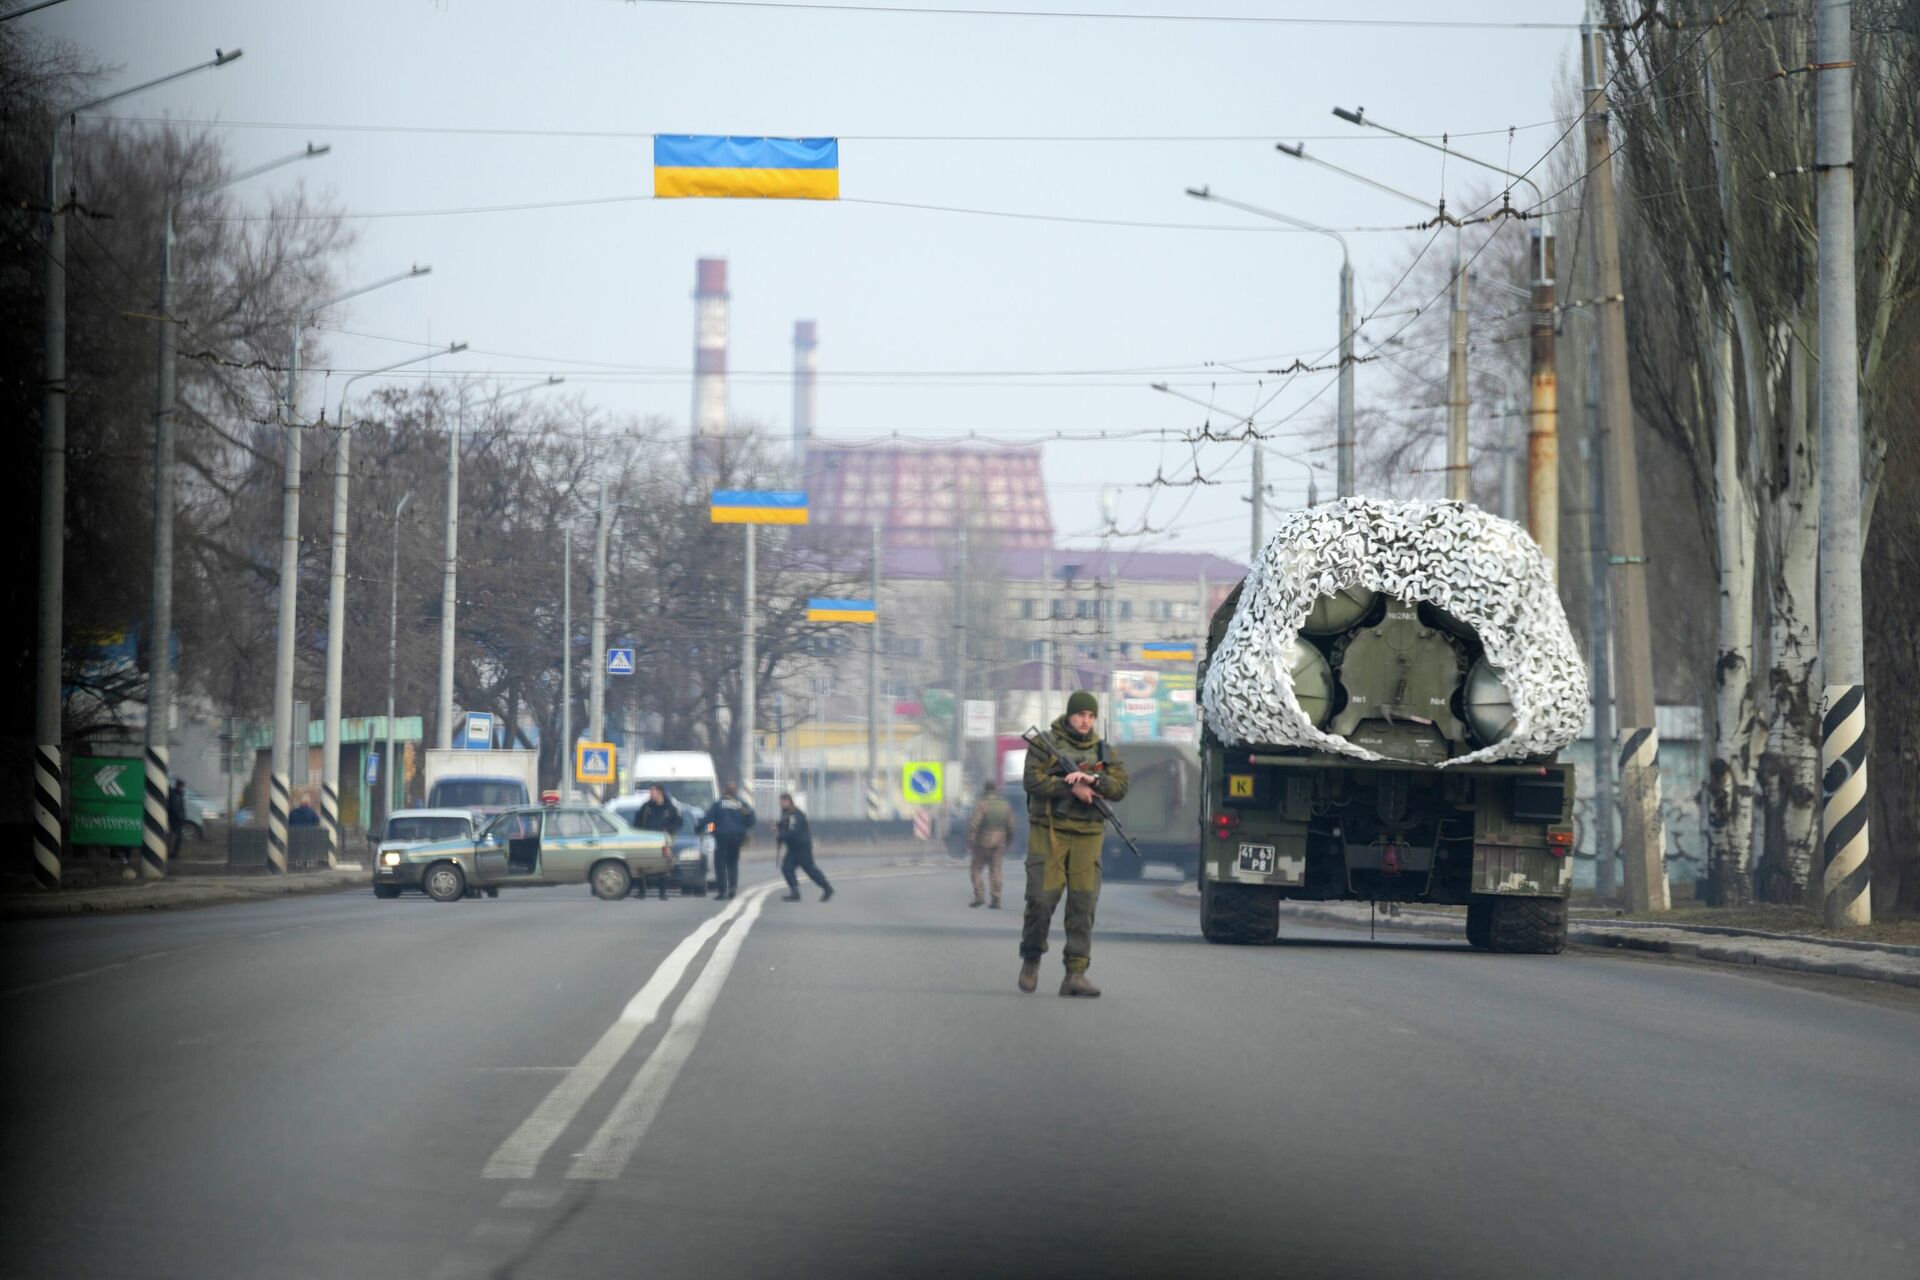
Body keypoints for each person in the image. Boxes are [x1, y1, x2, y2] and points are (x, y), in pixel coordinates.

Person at [1020, 690, 1128, 998]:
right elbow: (1032, 781)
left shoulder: (1104, 750)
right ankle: (1031, 958)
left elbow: (1121, 787)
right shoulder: (1044, 743)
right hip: (1049, 830)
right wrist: (1070, 789)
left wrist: (1094, 782)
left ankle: (1075, 974)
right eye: (1081, 714)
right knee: (1041, 899)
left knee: (1084, 903)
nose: (1085, 721)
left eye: (1091, 716)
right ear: (1070, 715)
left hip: (1088, 834)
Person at [774, 792, 833, 903]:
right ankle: (795, 892)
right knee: (787, 868)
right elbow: (784, 825)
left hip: (801, 847)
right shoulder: (786, 813)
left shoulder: (795, 814)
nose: (781, 804)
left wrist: (781, 835)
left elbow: (793, 831)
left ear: (788, 801)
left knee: (810, 870)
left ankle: (827, 888)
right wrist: (778, 826)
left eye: (782, 802)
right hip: (793, 848)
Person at [965, 779, 1014, 909]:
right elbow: (1011, 826)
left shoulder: (982, 803)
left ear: (985, 790)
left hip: (983, 841)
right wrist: (1009, 841)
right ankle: (996, 899)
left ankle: (979, 896)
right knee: (996, 870)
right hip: (1000, 841)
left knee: (976, 869)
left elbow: (974, 824)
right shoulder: (1005, 804)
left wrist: (970, 840)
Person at [704, 781, 755, 900]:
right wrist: (744, 829)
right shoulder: (741, 804)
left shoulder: (718, 804)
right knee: (733, 863)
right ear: (735, 792)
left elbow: (709, 820)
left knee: (720, 864)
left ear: (725, 791)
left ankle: (722, 891)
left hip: (721, 837)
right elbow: (751, 820)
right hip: (737, 837)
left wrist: (712, 831)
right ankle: (732, 888)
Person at [631, 785, 679, 900]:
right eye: (650, 791)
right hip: (647, 840)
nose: (651, 794)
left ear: (660, 792)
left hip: (663, 840)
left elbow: (677, 823)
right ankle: (642, 892)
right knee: (643, 865)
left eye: (653, 791)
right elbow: (637, 821)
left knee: (663, 866)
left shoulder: (670, 807)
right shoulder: (647, 807)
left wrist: (668, 830)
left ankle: (662, 893)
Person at [166, 781, 189, 860]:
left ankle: (174, 854)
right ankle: (172, 854)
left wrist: (183, 817)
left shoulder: (180, 794)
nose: (182, 788)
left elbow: (182, 807)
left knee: (176, 837)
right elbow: (173, 808)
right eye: (181, 786)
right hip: (174, 819)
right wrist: (180, 817)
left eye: (183, 787)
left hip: (178, 819)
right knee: (175, 837)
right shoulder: (174, 795)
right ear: (177, 786)